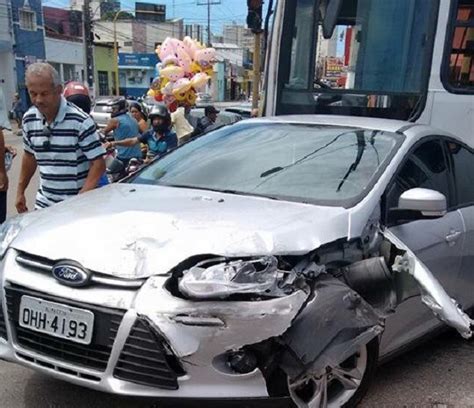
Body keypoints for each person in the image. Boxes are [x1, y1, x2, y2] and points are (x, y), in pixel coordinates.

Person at [16, 62, 106, 212]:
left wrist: (80, 199)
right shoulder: (29, 119)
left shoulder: (80, 121)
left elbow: (98, 165)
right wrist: (20, 191)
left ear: (58, 90)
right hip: (44, 205)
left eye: (44, 94)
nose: (38, 99)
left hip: (76, 206)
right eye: (33, 93)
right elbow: (29, 157)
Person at [106, 104, 177, 162]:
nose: (156, 122)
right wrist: (114, 143)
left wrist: (152, 160)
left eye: (159, 119)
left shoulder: (171, 136)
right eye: (154, 119)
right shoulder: (150, 134)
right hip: (148, 167)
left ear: (165, 120)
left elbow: (170, 156)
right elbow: (132, 141)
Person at [102, 97, 142, 167]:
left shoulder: (115, 120)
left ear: (120, 108)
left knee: (110, 174)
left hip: (124, 157)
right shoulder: (133, 119)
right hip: (138, 156)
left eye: (114, 108)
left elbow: (102, 133)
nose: (112, 111)